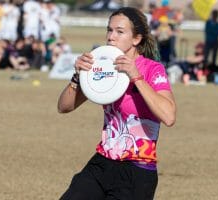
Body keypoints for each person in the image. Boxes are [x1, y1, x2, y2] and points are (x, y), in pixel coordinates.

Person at [57, 7, 176, 200]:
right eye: (109, 30)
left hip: (137, 171)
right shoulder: (103, 66)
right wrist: (77, 76)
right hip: (102, 163)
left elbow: (169, 116)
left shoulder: (153, 69)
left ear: (136, 39)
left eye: (120, 32)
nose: (111, 37)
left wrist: (136, 77)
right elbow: (64, 107)